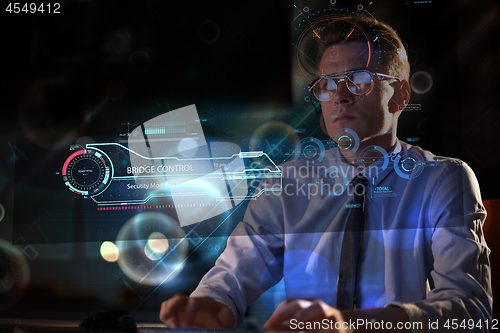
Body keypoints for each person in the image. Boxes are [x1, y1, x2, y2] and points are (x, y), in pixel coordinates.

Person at [160, 16, 492, 332]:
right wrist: (211, 303)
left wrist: (355, 326)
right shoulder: (285, 183)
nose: (340, 96)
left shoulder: (442, 180)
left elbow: (470, 309)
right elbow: (233, 272)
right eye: (327, 84)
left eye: (360, 79)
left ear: (401, 95)